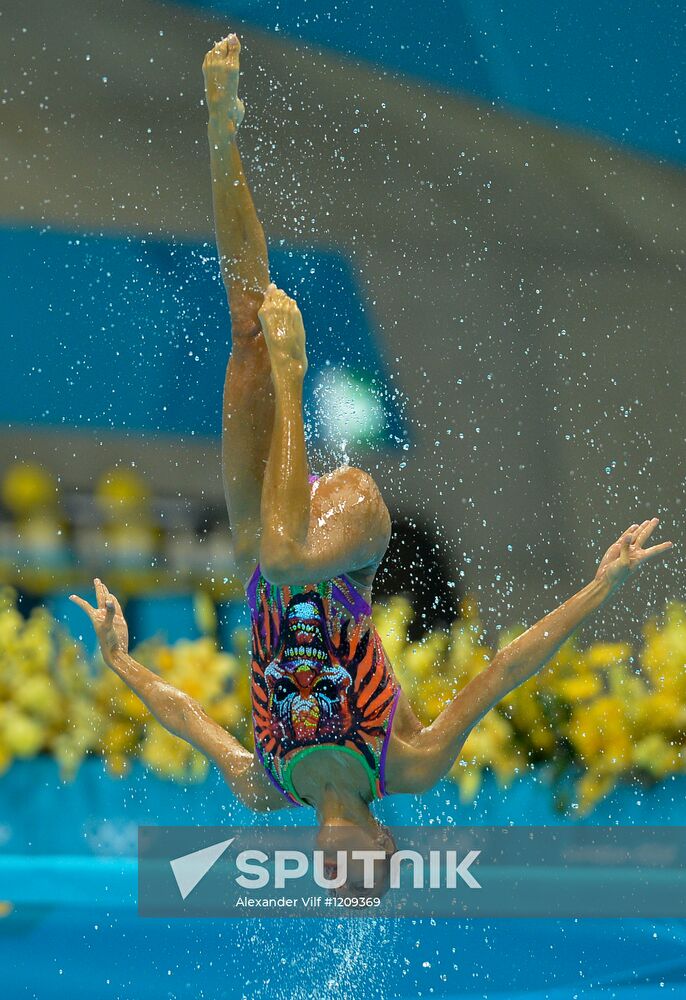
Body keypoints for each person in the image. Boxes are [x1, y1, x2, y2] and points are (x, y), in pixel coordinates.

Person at [70, 34, 674, 898]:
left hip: (265, 541)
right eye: (363, 872)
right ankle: (295, 369)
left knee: (246, 323)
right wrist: (601, 587)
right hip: (347, 527)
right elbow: (505, 671)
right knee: (284, 544)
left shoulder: (264, 785)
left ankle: (220, 132)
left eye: (333, 878)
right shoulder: (411, 764)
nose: (338, 867)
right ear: (386, 843)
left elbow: (190, 716)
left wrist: (124, 662)